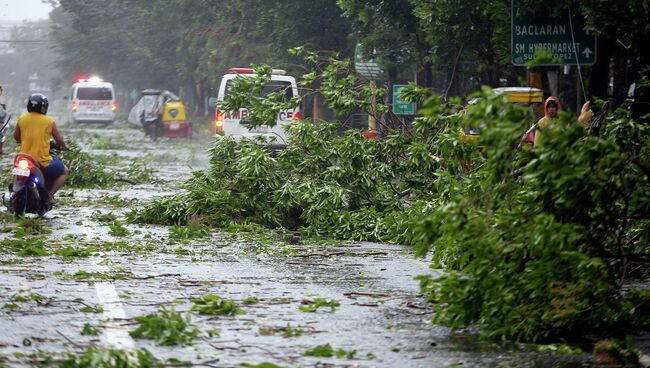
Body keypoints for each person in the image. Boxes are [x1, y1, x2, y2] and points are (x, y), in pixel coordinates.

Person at [14, 93, 69, 204]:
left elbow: (16, 137)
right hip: (41, 162)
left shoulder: (22, 119)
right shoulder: (49, 121)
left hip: (22, 159)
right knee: (65, 171)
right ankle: (49, 196)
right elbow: (59, 140)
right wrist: (64, 146)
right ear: (44, 107)